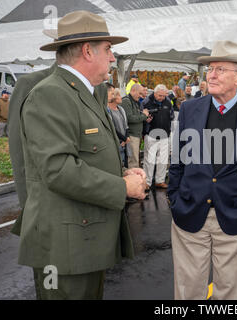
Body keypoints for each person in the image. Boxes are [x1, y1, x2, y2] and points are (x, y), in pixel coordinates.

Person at [17, 11, 146, 300]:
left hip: (81, 244)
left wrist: (121, 173)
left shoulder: (83, 93)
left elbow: (87, 156)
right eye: (109, 49)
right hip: (62, 251)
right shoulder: (50, 94)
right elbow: (58, 169)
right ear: (88, 51)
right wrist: (121, 187)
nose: (113, 58)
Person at [168, 40, 237, 300]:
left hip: (236, 216)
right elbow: (178, 160)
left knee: (229, 292)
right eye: (210, 69)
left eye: (220, 69)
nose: (211, 75)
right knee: (188, 291)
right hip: (189, 214)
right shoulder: (189, 109)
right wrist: (174, 198)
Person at [141, 84, 174, 189]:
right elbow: (141, 116)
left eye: (164, 96)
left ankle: (160, 180)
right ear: (154, 93)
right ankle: (147, 182)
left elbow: (171, 116)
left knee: (163, 160)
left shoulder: (168, 102)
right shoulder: (146, 102)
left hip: (164, 134)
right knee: (149, 160)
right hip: (151, 134)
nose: (162, 98)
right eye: (160, 95)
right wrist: (145, 120)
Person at [121, 83, 150, 168]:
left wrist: (144, 118)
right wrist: (144, 116)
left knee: (135, 160)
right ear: (133, 91)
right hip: (132, 135)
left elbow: (137, 117)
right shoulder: (126, 101)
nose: (141, 96)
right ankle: (134, 180)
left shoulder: (135, 101)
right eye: (140, 93)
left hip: (137, 135)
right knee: (133, 161)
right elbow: (129, 118)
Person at [106, 84, 131, 167]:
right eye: (119, 95)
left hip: (124, 142)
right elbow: (112, 127)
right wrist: (122, 140)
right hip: (117, 142)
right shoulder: (108, 110)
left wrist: (126, 138)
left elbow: (126, 126)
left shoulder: (121, 109)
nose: (121, 98)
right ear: (114, 98)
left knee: (125, 164)